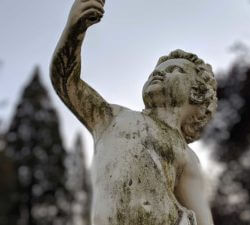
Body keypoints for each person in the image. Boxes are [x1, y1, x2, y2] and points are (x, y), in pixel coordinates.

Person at [50, 0, 217, 224]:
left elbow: (204, 219)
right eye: (155, 72)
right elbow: (67, 83)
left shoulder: (186, 155)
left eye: (173, 70)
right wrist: (74, 31)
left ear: (197, 93)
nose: (157, 74)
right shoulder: (112, 117)